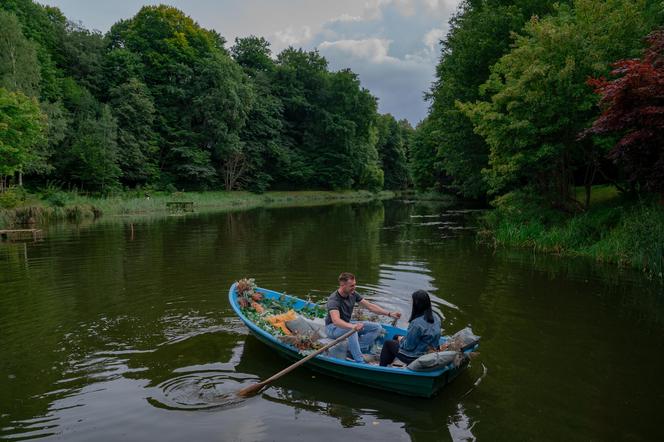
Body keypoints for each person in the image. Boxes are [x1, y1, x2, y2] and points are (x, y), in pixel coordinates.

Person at [325, 272, 401, 363]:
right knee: (352, 332)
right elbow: (336, 321)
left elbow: (370, 306)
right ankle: (360, 360)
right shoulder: (334, 299)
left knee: (377, 327)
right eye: (351, 285)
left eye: (355, 284)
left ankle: (354, 350)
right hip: (332, 328)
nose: (354, 287)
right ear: (342, 285)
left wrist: (389, 313)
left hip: (347, 324)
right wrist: (352, 327)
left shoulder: (353, 293)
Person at [379, 290, 441, 367]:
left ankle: (383, 367)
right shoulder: (436, 317)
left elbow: (408, 347)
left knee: (388, 343)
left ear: (417, 304)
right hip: (430, 352)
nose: (410, 302)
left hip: (416, 356)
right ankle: (393, 362)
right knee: (396, 336)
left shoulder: (416, 323)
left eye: (412, 301)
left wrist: (401, 339)